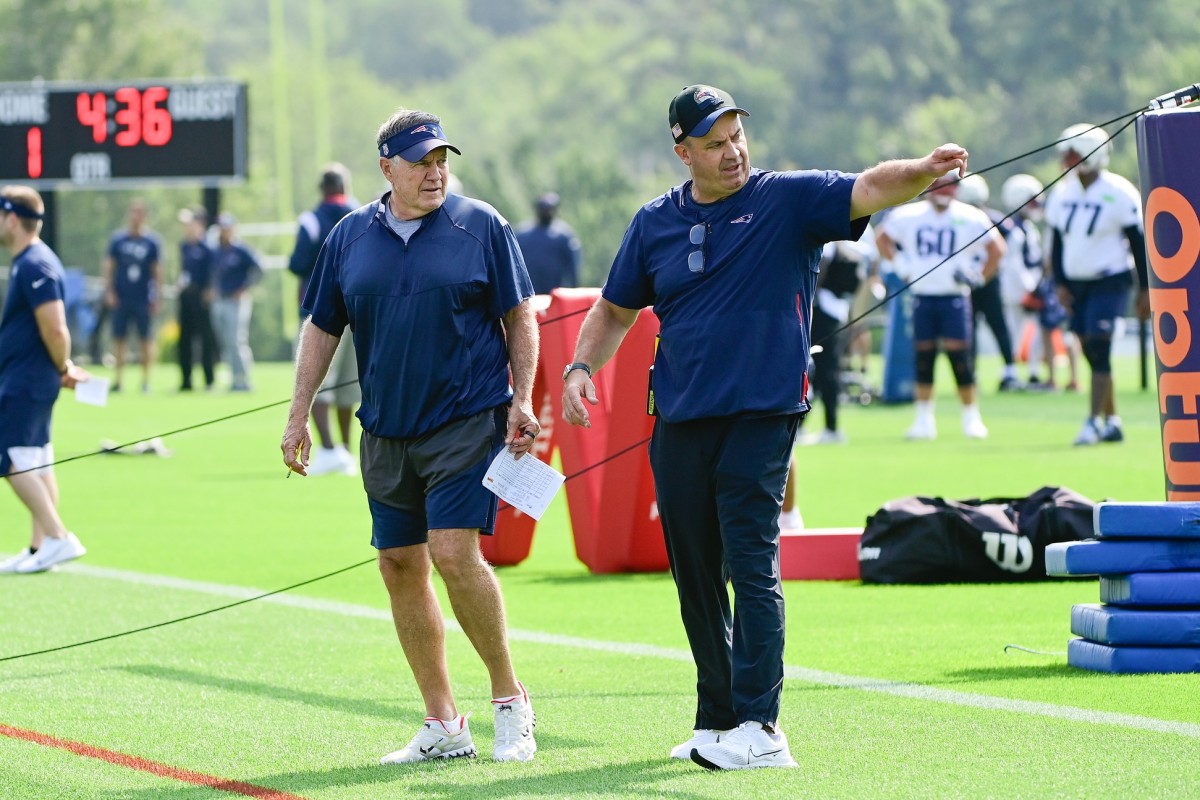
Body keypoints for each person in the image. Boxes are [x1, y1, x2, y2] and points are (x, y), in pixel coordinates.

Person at [561, 83, 972, 770]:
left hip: (763, 413)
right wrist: (580, 367)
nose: (733, 153)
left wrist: (924, 170)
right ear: (684, 152)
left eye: (737, 137)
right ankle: (717, 719)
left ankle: (761, 725)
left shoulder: (786, 200)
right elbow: (614, 309)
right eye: (715, 143)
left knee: (751, 562)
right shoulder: (654, 222)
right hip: (680, 418)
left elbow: (870, 186)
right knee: (695, 573)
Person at [280, 108, 540, 764]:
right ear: (386, 168)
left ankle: (510, 701)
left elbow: (519, 314)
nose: (435, 173)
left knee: (453, 553)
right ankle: (443, 724)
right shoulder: (348, 237)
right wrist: (298, 412)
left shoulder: (481, 225)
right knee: (398, 564)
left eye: (441, 160)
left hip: (466, 421)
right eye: (421, 162)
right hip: (385, 431)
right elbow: (322, 326)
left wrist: (523, 397)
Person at [0, 187, 91, 574]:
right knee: (37, 460)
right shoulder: (28, 261)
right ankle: (40, 547)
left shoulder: (34, 263)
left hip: (28, 379)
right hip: (28, 376)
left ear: (12, 219)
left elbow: (55, 328)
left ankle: (58, 536)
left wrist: (63, 366)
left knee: (9, 458)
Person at [876, 173, 1005, 440]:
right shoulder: (909, 215)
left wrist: (979, 277)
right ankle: (924, 419)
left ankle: (971, 416)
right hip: (922, 295)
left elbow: (997, 249)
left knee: (960, 357)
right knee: (924, 357)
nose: (944, 191)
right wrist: (901, 266)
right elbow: (882, 238)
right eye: (938, 185)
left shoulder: (970, 216)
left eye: (950, 186)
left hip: (953, 296)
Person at [1045, 123, 1149, 445]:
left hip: (1110, 280)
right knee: (1092, 351)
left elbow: (1137, 243)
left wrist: (1146, 289)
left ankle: (1091, 422)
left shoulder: (1119, 191)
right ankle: (1113, 421)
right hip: (1076, 284)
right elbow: (1057, 245)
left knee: (1099, 344)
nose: (1067, 160)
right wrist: (1060, 283)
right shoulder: (1062, 193)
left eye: (1073, 153)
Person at [287, 164, 360, 476]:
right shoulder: (361, 213)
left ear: (322, 189)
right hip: (357, 309)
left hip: (321, 312)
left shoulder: (312, 219)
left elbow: (297, 263)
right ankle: (345, 450)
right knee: (347, 385)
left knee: (317, 383)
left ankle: (330, 450)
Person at [955, 174, 1023, 391]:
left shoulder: (987, 219)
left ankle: (1007, 371)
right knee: (975, 328)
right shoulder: (978, 218)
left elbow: (1010, 244)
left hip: (987, 278)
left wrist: (995, 268)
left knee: (996, 325)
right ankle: (977, 372)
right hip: (974, 279)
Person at [102, 199, 160, 393]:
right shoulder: (118, 240)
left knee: (146, 339)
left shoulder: (152, 242)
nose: (136, 217)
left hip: (143, 297)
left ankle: (146, 381)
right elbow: (109, 266)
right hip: (121, 297)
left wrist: (157, 295)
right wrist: (109, 291)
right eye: (133, 213)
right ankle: (118, 380)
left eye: (140, 213)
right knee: (119, 338)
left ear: (145, 216)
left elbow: (157, 270)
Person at [211, 213, 262, 392]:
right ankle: (233, 378)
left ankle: (243, 379)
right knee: (225, 341)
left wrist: (244, 288)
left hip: (236, 302)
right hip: (220, 300)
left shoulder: (241, 250)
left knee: (236, 340)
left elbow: (258, 269)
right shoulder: (217, 251)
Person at [176, 206, 219, 392]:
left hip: (202, 298)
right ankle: (186, 380)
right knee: (184, 339)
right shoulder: (184, 246)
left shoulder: (207, 247)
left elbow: (213, 272)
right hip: (186, 296)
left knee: (205, 339)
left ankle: (209, 379)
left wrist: (210, 290)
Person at [514, 192, 582, 294]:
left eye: (550, 208)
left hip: (555, 295)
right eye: (543, 208)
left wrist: (573, 292)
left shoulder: (565, 235)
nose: (547, 212)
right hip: (529, 294)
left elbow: (573, 269)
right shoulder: (522, 234)